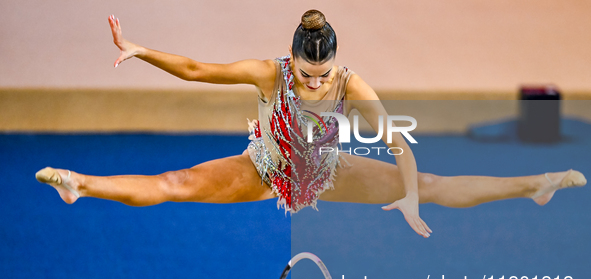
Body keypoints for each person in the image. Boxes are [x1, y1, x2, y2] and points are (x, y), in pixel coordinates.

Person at [36, 10, 586, 239]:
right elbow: (198, 69)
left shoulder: (352, 84)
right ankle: (80, 185)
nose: (317, 83)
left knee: (436, 187)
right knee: (174, 184)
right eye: (307, 73)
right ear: (291, 58)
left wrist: (412, 197)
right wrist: (139, 50)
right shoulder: (270, 75)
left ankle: (536, 185)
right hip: (267, 170)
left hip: (329, 172)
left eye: (324, 74)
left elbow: (400, 145)